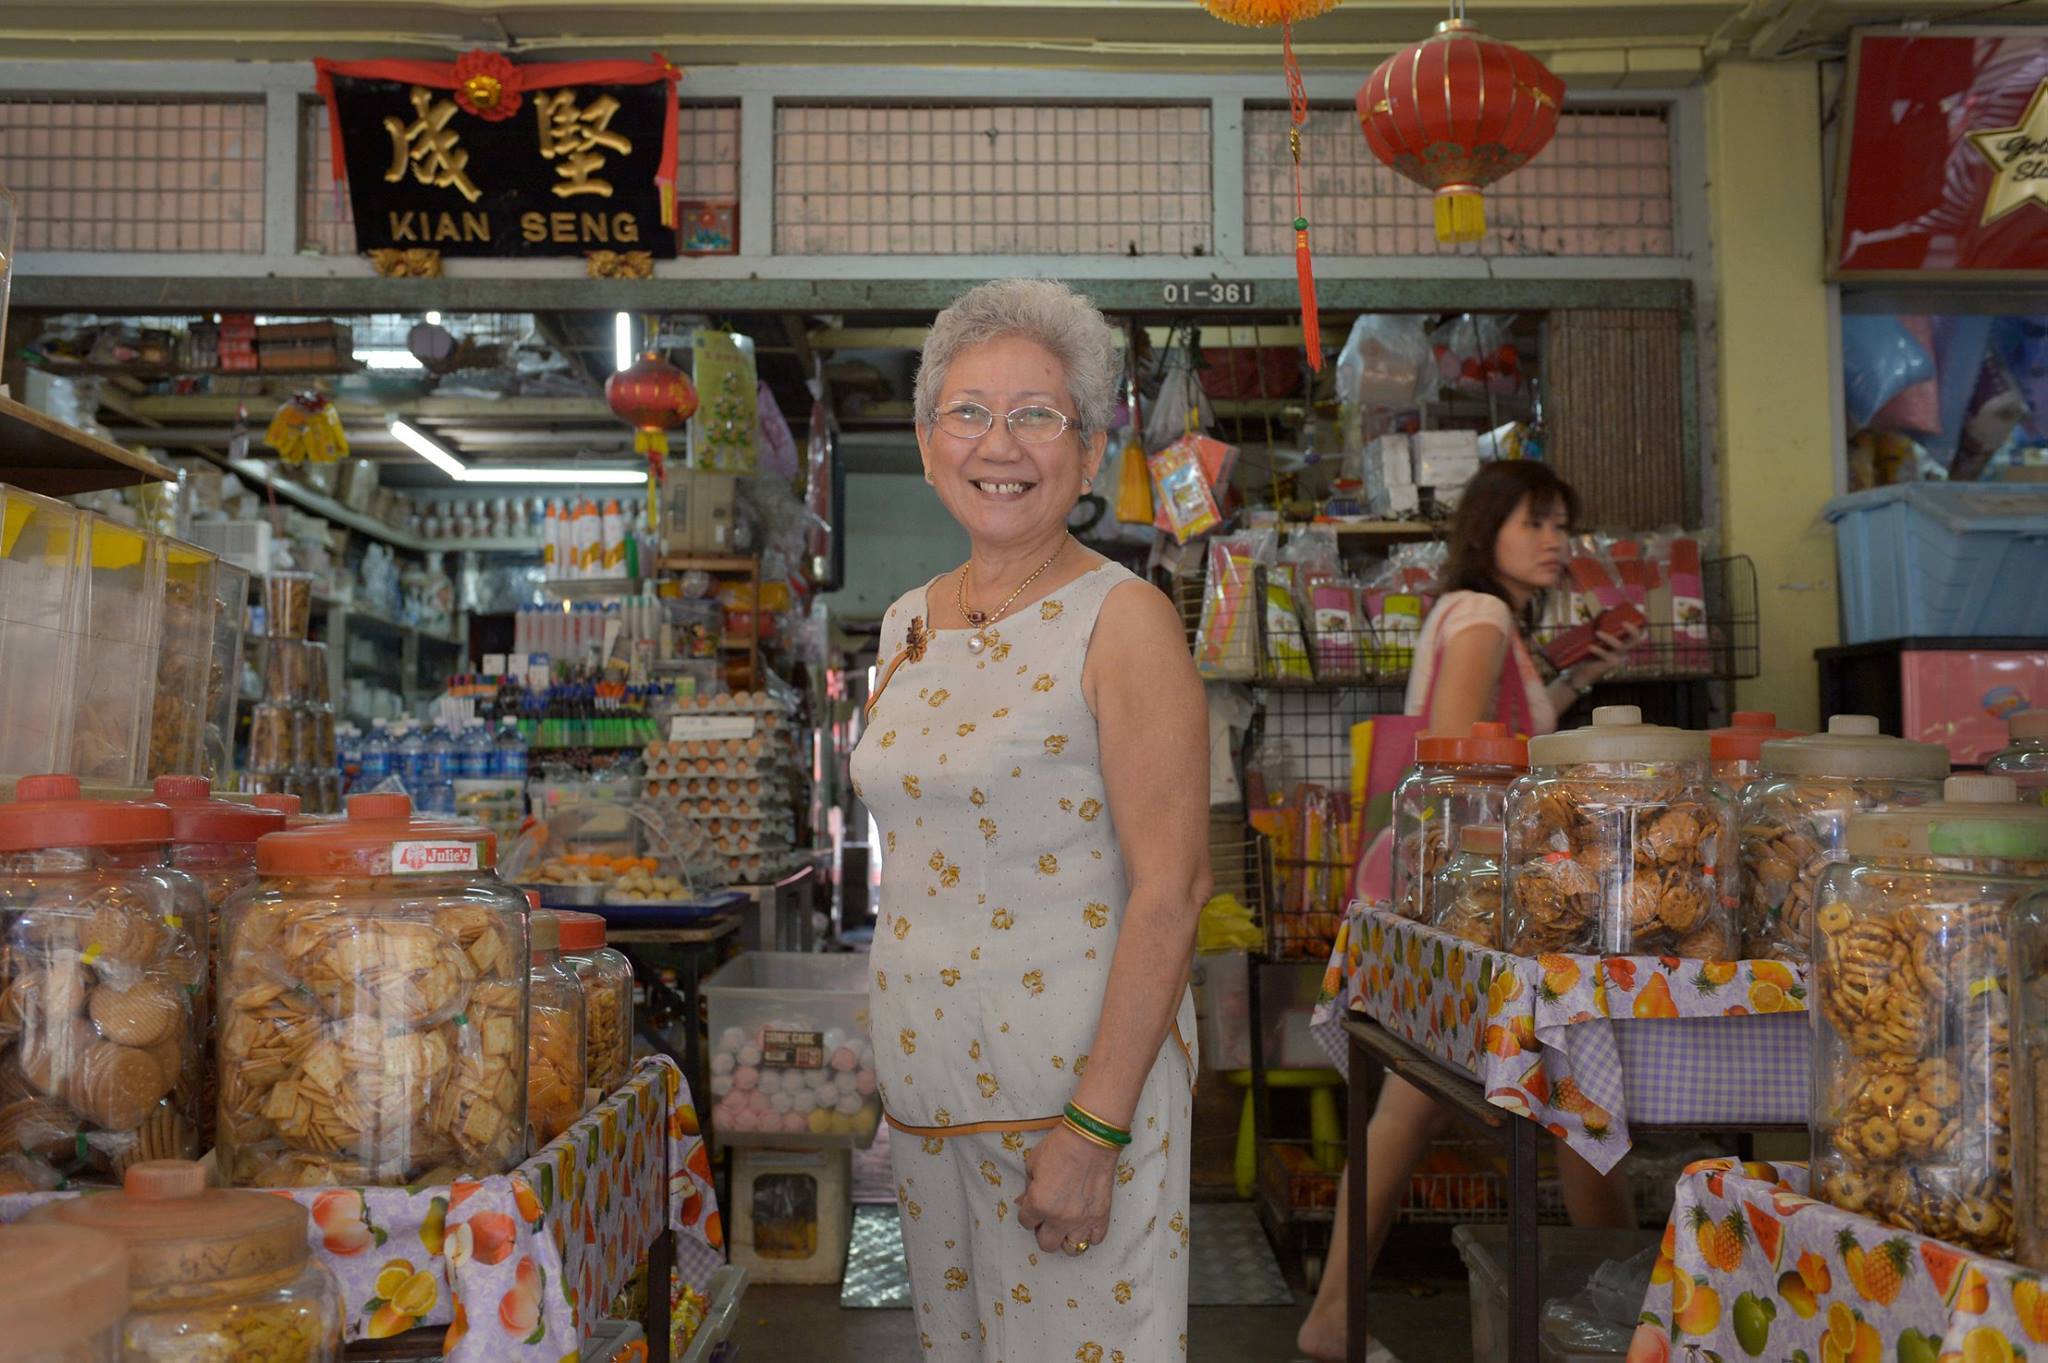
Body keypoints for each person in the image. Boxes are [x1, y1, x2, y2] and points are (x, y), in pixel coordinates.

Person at [851, 278, 1209, 1361]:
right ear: (925, 444)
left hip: (1070, 1110)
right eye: (966, 412)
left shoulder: (1124, 620)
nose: (995, 443)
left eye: (1035, 414)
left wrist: (1093, 1130)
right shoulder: (907, 619)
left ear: (1088, 450)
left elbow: (1172, 889)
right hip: (927, 1106)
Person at [1298, 460, 1646, 1363]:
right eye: (1535, 522)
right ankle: (1630, 1310)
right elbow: (1460, 758)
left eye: (1563, 525)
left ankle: (1337, 1315)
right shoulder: (1487, 617)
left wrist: (1573, 686)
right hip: (1469, 891)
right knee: (1570, 1093)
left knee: (1456, 1104)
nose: (1556, 541)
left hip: (1430, 884)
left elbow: (1481, 739)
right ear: (1485, 527)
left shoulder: (1468, 613)